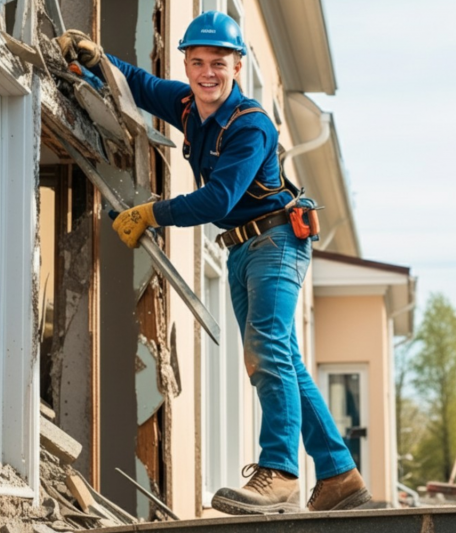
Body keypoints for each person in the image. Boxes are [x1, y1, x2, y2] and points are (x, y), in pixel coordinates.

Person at [58, 11, 370, 515]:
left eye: (218, 63)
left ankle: (281, 474)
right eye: (197, 61)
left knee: (265, 349)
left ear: (238, 66)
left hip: (276, 243)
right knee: (280, 357)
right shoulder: (187, 105)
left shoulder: (252, 125)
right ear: (187, 62)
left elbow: (219, 199)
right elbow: (138, 83)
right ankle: (339, 475)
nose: (207, 72)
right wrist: (98, 61)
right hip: (244, 249)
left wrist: (153, 212)